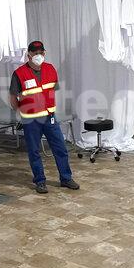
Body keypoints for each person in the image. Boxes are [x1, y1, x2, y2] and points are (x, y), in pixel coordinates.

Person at [8, 41, 80, 194]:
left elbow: (52, 90)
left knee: (60, 148)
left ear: (44, 53)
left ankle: (66, 178)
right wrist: (22, 111)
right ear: (29, 55)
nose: (38, 56)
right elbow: (13, 98)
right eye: (35, 53)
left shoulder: (50, 69)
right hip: (31, 120)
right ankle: (40, 181)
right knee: (34, 151)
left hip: (49, 118)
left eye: (41, 52)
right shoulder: (19, 73)